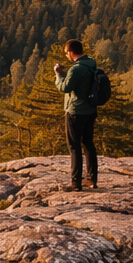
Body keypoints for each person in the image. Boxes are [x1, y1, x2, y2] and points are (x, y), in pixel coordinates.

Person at [53, 40, 98, 191]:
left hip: (75, 112)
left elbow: (65, 88)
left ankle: (76, 183)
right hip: (90, 111)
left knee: (74, 146)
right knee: (89, 145)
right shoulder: (91, 64)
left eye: (66, 52)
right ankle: (91, 179)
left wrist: (58, 75)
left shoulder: (76, 70)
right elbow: (79, 83)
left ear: (71, 52)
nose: (66, 55)